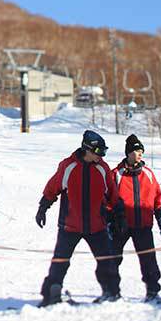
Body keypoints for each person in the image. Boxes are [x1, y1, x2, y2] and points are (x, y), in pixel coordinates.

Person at [36, 130, 119, 306]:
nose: (101, 156)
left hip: (97, 226)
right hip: (70, 226)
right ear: (87, 149)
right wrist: (43, 207)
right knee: (60, 261)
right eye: (99, 152)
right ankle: (52, 294)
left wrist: (117, 213)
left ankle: (111, 293)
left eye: (104, 153)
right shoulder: (68, 166)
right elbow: (53, 187)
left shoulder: (102, 168)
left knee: (106, 261)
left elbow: (112, 193)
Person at [109, 134, 161, 301]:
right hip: (121, 225)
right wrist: (110, 220)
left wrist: (160, 216)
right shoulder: (116, 174)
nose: (140, 154)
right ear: (128, 153)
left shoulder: (148, 173)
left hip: (143, 225)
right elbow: (106, 199)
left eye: (141, 151)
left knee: (149, 260)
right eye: (136, 151)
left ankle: (153, 292)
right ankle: (111, 291)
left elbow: (157, 198)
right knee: (112, 258)